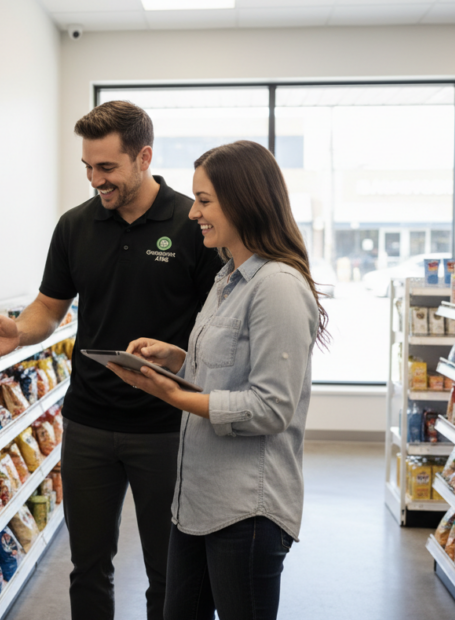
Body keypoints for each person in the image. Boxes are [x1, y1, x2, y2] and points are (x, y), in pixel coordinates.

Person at [0, 100, 221, 620]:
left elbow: (218, 327)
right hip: (88, 424)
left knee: (168, 572)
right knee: (88, 568)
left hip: (168, 425)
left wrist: (182, 359)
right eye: (87, 167)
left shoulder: (191, 225)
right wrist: (20, 331)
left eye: (107, 168)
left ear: (143, 157)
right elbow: (48, 309)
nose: (95, 180)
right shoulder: (75, 226)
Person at [107, 140, 330, 620]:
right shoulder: (227, 277)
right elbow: (229, 372)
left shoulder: (277, 287)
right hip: (197, 504)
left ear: (244, 200)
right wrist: (179, 362)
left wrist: (175, 396)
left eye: (204, 200)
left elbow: (271, 407)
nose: (193, 214)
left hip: (247, 511)